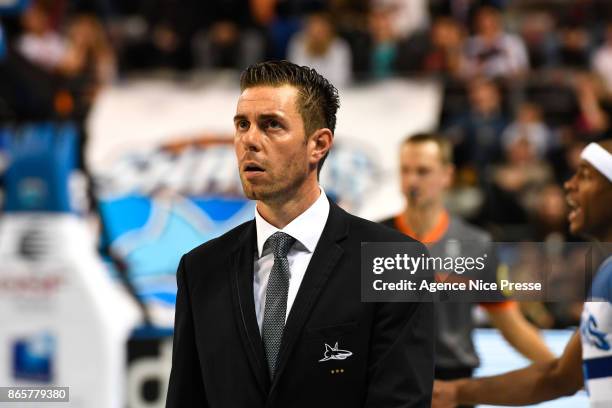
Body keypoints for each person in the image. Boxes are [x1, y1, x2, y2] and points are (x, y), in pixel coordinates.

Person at [165, 60, 435, 408]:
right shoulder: (200, 269)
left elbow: (402, 403)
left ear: (318, 145)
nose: (249, 140)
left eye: (271, 125)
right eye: (242, 125)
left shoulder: (395, 262)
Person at [432, 139, 612, 408]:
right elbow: (560, 377)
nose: (569, 184)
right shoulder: (606, 272)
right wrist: (456, 392)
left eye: (585, 176)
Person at [380, 134, 554, 399]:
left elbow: (511, 324)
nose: (412, 180)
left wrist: (565, 370)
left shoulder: (476, 244)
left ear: (447, 176)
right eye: (405, 170)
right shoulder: (371, 239)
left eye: (423, 171)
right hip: (390, 386)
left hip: (454, 385)